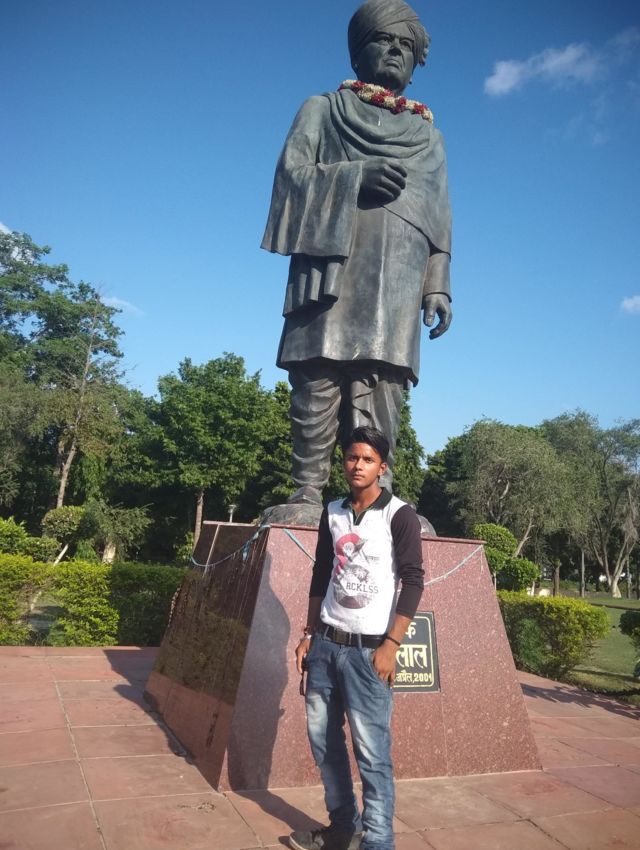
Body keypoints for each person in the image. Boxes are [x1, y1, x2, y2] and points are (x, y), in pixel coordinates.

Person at [262, 0, 452, 505]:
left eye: (406, 45)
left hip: (399, 277)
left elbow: (438, 217)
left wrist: (437, 283)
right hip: (332, 264)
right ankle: (307, 492)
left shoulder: (429, 137)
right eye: (384, 39)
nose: (395, 50)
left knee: (384, 379)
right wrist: (354, 178)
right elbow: (290, 177)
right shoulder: (323, 110)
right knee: (318, 372)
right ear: (357, 52)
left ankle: (378, 494)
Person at [290, 426, 424, 850]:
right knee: (323, 743)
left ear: (382, 467)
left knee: (372, 754)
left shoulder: (399, 514)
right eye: (352, 457)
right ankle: (342, 828)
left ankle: (378, 842)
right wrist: (309, 633)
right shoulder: (332, 511)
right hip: (326, 645)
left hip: (369, 654)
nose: (358, 465)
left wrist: (391, 646)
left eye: (368, 459)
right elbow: (320, 573)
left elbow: (413, 581)